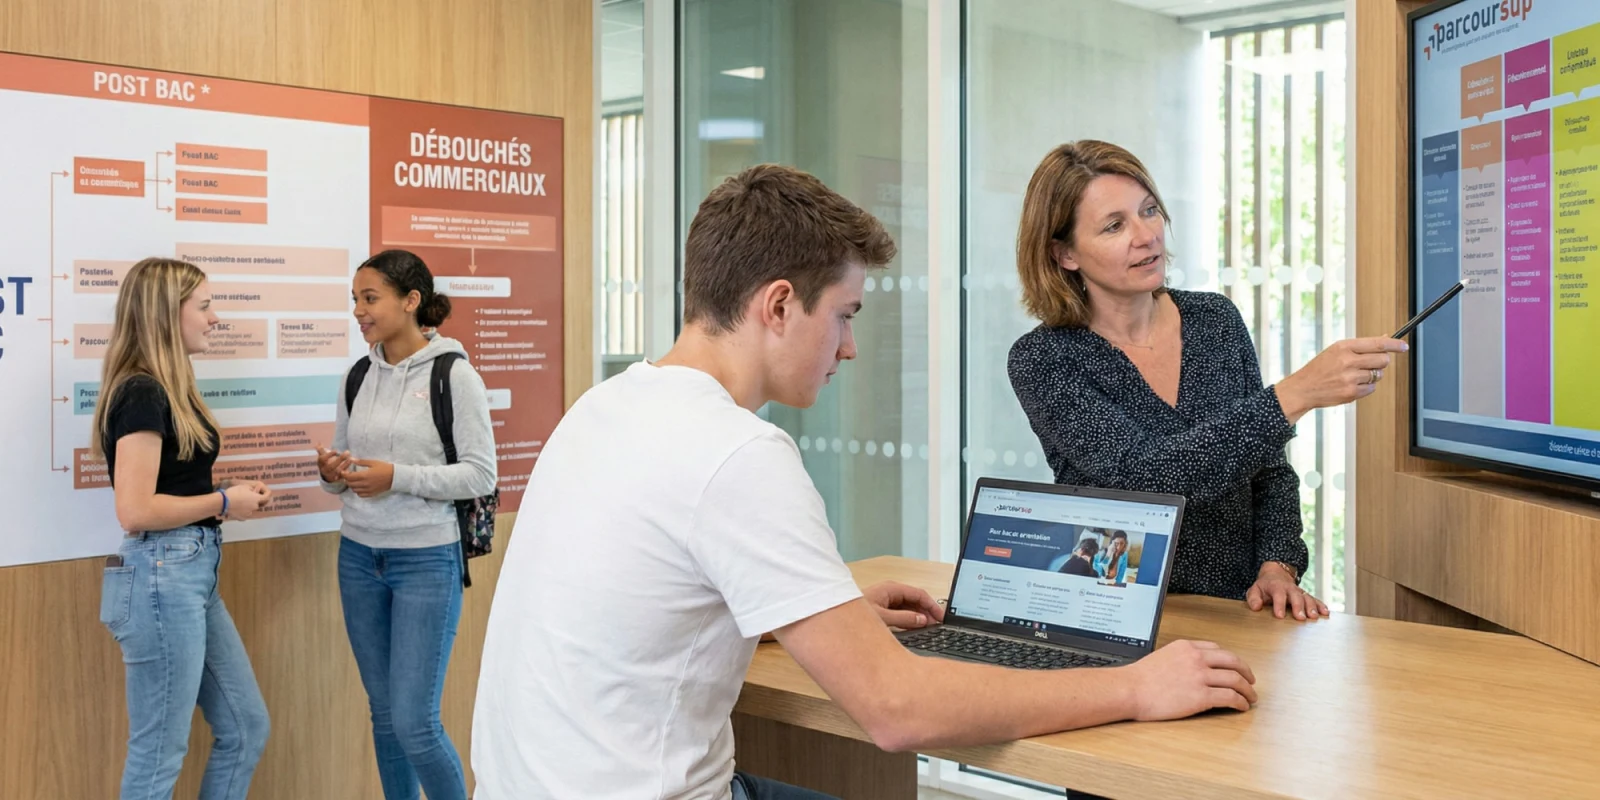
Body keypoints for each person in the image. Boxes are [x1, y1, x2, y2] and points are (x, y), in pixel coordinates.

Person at [472, 163, 1258, 800]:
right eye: (845, 315)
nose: (847, 349)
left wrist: (821, 614)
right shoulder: (736, 451)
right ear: (779, 305)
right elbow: (898, 712)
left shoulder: (607, 406)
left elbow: (639, 599)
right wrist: (1136, 685)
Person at [1008, 141, 1408, 621]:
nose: (1146, 235)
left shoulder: (1214, 319)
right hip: (1116, 617)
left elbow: (1270, 472)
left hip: (1240, 612)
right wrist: (1294, 394)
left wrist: (1277, 567)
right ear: (1065, 253)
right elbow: (1148, 478)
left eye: (1149, 211)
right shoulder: (1043, 359)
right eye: (1115, 225)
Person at [90, 257, 272, 799]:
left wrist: (222, 504)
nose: (215, 318)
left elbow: (167, 489)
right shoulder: (142, 392)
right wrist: (221, 500)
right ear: (168, 315)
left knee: (245, 727)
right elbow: (135, 510)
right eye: (205, 305)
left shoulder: (168, 388)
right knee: (157, 757)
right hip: (160, 577)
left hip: (189, 574)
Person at [316, 250, 496, 800]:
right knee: (386, 714)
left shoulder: (453, 374)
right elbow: (345, 469)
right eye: (355, 299)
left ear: (411, 301)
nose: (358, 311)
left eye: (369, 299)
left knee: (416, 722)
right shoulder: (358, 374)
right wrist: (334, 474)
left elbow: (480, 474)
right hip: (358, 558)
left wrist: (398, 477)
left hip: (425, 560)